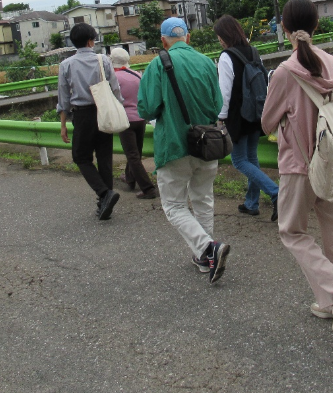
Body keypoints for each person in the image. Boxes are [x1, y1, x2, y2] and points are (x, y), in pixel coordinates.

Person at [262, 0, 333, 334]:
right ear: (318, 24)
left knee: (292, 231)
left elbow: (266, 123)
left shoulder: (284, 72)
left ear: (284, 28)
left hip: (299, 165)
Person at [137, 17, 230, 283]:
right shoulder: (206, 62)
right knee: (203, 198)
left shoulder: (157, 65)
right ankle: (206, 259)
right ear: (188, 37)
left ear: (163, 40)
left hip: (174, 145)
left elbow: (146, 109)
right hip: (207, 143)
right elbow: (216, 106)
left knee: (174, 205)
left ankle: (207, 249)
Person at [213, 15, 278, 221]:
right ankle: (252, 203)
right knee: (251, 157)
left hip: (237, 115)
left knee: (239, 160)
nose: (219, 40)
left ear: (225, 35)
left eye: (219, 36)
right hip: (256, 112)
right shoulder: (253, 51)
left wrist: (221, 117)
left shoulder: (226, 56)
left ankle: (276, 192)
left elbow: (225, 91)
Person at [57, 23, 123, 220]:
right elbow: (116, 88)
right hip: (104, 110)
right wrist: (118, 108)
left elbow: (63, 98)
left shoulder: (66, 65)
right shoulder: (103, 59)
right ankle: (105, 201)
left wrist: (63, 124)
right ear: (89, 41)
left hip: (83, 115)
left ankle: (104, 194)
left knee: (81, 157)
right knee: (104, 158)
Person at [111, 47, 157, 199]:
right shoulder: (137, 74)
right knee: (135, 152)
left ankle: (148, 188)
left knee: (132, 155)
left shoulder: (114, 77)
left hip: (126, 120)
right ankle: (129, 178)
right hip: (140, 118)